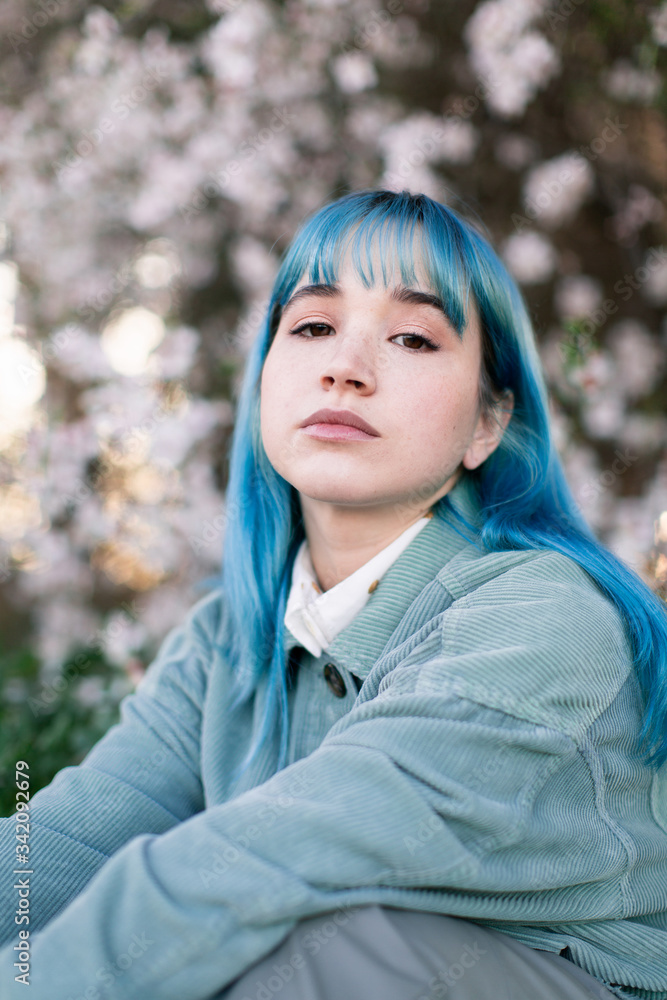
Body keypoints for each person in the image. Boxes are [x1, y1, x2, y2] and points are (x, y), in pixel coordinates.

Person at [1, 188, 666, 1000]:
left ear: (486, 424)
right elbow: (62, 851)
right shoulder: (227, 637)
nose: (344, 368)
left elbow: (268, 863)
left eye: (413, 337)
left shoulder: (540, 622)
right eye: (312, 325)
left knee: (311, 952)